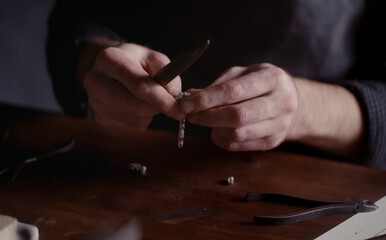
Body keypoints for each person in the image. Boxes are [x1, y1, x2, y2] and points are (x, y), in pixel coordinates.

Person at [46, 0, 386, 169]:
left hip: (316, 180)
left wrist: (303, 107)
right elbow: (74, 22)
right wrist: (98, 62)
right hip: (123, 163)